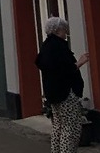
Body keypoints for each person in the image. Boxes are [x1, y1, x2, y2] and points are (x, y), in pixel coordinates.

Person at [36, 16, 89, 153]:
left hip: (53, 93)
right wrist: (80, 62)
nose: (66, 33)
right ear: (58, 30)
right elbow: (64, 70)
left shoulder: (46, 46)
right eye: (64, 29)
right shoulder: (58, 47)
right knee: (71, 127)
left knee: (58, 125)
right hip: (65, 92)